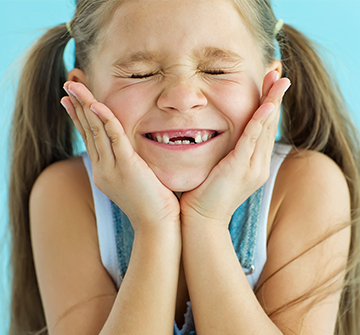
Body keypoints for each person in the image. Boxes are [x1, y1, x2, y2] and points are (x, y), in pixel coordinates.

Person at [7, 0, 360, 334]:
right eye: (140, 74)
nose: (182, 98)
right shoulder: (66, 194)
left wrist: (207, 222)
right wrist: (154, 227)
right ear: (84, 93)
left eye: (216, 70)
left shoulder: (307, 184)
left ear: (269, 84)